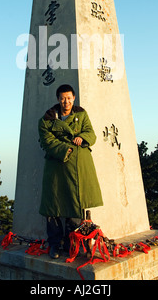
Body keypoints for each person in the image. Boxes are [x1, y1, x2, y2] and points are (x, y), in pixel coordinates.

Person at [38, 84, 103, 259]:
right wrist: (65, 149)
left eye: (69, 98)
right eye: (62, 98)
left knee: (74, 206)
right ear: (58, 99)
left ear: (74, 98)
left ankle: (71, 243)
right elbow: (47, 140)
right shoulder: (47, 119)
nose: (66, 101)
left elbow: (91, 133)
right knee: (53, 207)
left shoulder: (81, 114)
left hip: (78, 167)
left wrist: (82, 138)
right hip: (56, 167)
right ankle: (54, 244)